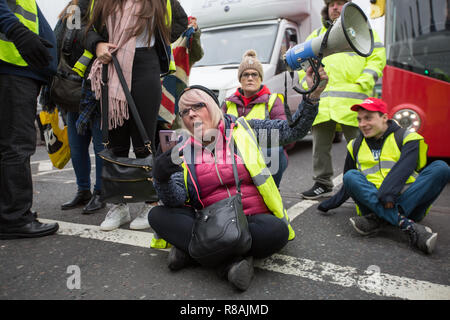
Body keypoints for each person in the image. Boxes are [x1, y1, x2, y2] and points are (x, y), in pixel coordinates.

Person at [148, 65, 328, 291]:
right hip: (211, 222)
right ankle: (230, 264)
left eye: (197, 106)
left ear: (213, 107)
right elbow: (176, 200)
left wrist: (313, 96)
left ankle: (194, 253)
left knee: (276, 231)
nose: (191, 113)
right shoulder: (181, 150)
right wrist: (161, 178)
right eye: (185, 111)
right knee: (157, 215)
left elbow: (293, 131)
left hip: (250, 219)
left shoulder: (245, 129)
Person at [85, 0, 187, 231]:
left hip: (146, 64)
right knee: (115, 140)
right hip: (112, 65)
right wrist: (98, 44)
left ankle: (151, 201)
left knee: (144, 139)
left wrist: (157, 40)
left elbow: (180, 23)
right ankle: (118, 205)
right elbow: (86, 30)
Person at [317, 97, 450, 254]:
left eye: (368, 118)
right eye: (359, 119)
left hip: (410, 203)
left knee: (441, 168)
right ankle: (406, 224)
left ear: (384, 117)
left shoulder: (408, 138)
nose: (362, 124)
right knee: (351, 176)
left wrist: (387, 195)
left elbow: (403, 170)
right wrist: (329, 204)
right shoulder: (355, 144)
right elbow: (348, 182)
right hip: (370, 204)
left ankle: (378, 220)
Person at [299, 0, 386, 200]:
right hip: (323, 102)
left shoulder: (365, 31)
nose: (335, 8)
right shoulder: (316, 35)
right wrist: (309, 88)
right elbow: (305, 66)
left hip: (353, 103)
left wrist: (362, 83)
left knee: (360, 146)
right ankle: (322, 183)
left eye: (340, 3)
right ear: (326, 9)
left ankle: (366, 184)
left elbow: (377, 58)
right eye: (331, 5)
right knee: (320, 147)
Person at [0, 0, 59, 239]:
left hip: (21, 70)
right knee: (16, 144)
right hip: (13, 68)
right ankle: (14, 217)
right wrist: (17, 31)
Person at [49, 0, 106, 214]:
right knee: (77, 147)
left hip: (95, 89)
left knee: (101, 147)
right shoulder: (72, 11)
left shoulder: (98, 8)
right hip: (71, 89)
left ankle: (101, 192)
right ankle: (84, 191)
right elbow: (62, 43)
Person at [222, 49, 292, 188]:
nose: (250, 78)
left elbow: (286, 135)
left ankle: (271, 190)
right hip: (235, 154)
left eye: (254, 74)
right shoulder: (227, 103)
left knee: (274, 150)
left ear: (261, 78)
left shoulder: (273, 101)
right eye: (245, 75)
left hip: (264, 155)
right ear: (240, 80)